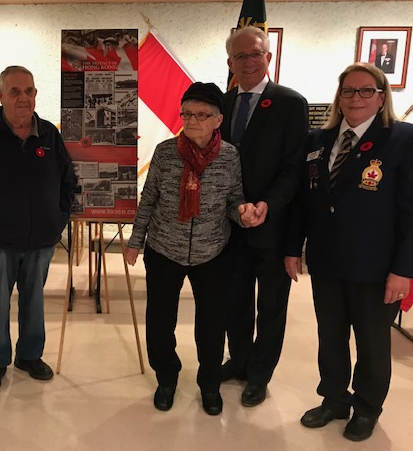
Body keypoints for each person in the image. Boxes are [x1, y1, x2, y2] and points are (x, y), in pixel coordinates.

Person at [285, 62, 413, 442]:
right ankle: (335, 399)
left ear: (380, 97)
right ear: (339, 98)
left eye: (365, 91)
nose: (356, 98)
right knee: (331, 336)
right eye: (348, 91)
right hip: (326, 262)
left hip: (377, 267)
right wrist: (293, 248)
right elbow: (303, 203)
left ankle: (367, 408)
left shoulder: (402, 140)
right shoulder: (317, 141)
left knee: (373, 343)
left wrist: (404, 269)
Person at [124, 82, 264, 415]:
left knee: (212, 324)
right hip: (163, 249)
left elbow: (234, 200)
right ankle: (167, 378)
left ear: (218, 120)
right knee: (160, 322)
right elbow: (150, 199)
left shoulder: (229, 156)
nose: (193, 120)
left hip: (212, 253)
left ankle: (210, 383)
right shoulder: (165, 152)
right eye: (187, 113)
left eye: (202, 114)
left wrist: (243, 213)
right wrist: (135, 240)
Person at [0, 65, 77, 394]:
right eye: (15, 91)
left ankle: (29, 356)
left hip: (41, 240)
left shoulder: (49, 133)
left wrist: (58, 217)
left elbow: (69, 181)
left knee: (34, 300)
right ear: (0, 95)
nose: (23, 98)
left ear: (36, 94)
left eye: (29, 91)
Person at [221, 26, 308, 406]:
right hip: (229, 227)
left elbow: (294, 169)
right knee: (234, 301)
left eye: (255, 53)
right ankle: (238, 361)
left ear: (268, 57)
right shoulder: (221, 106)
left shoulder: (291, 103)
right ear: (230, 62)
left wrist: (265, 205)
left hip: (272, 226)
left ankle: (259, 374)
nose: (248, 61)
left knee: (270, 306)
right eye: (240, 56)